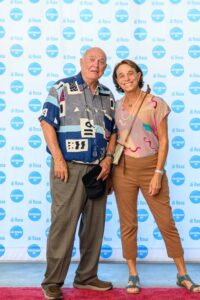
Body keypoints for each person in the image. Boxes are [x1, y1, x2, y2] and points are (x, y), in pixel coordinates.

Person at [111, 59, 200, 294]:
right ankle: (132, 274)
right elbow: (114, 140)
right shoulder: (116, 106)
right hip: (122, 170)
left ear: (139, 75)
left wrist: (158, 172)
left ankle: (182, 273)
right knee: (128, 223)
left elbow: (164, 140)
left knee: (166, 222)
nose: (127, 78)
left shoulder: (155, 103)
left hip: (151, 166)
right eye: (121, 75)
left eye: (131, 73)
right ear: (117, 81)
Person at [39, 47, 116, 300]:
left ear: (105, 68)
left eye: (102, 62)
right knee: (64, 225)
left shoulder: (108, 95)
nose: (96, 64)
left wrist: (108, 160)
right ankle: (52, 282)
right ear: (81, 61)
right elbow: (46, 122)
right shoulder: (62, 87)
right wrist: (58, 159)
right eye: (92, 59)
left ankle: (86, 277)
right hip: (68, 167)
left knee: (94, 227)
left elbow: (113, 131)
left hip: (98, 170)